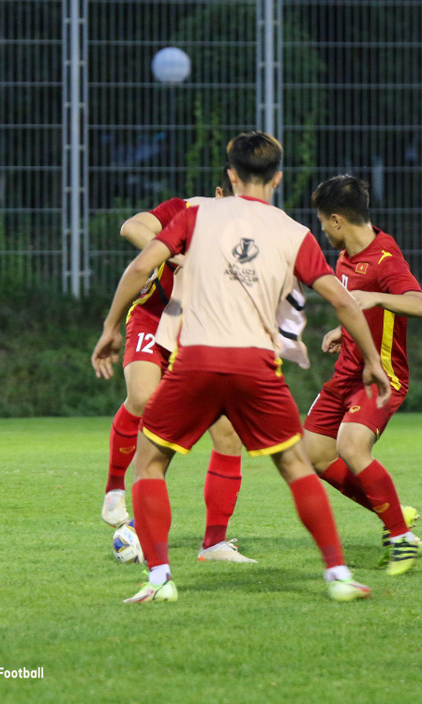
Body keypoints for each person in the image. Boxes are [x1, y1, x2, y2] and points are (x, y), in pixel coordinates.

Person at [92, 131, 392, 603]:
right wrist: (372, 360)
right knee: (295, 465)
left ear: (230, 176)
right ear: (277, 178)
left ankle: (160, 579)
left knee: (150, 463)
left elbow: (138, 268)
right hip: (257, 366)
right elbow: (342, 300)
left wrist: (111, 327)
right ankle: (338, 575)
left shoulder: (196, 214)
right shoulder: (293, 232)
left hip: (196, 361)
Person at [101, 169, 255, 562]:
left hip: (202, 336)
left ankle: (214, 543)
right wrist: (175, 254)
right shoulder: (183, 211)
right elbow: (131, 227)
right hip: (154, 317)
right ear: (219, 193)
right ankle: (115, 489)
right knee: (142, 397)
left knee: (229, 435)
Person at [302, 175, 422, 575]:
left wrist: (375, 296)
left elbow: (419, 304)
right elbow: (358, 308)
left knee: (352, 447)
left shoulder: (385, 257)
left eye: (323, 222)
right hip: (345, 373)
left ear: (337, 220)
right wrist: (343, 330)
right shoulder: (345, 259)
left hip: (380, 376)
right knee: (314, 454)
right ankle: (394, 513)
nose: (322, 231)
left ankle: (402, 539)